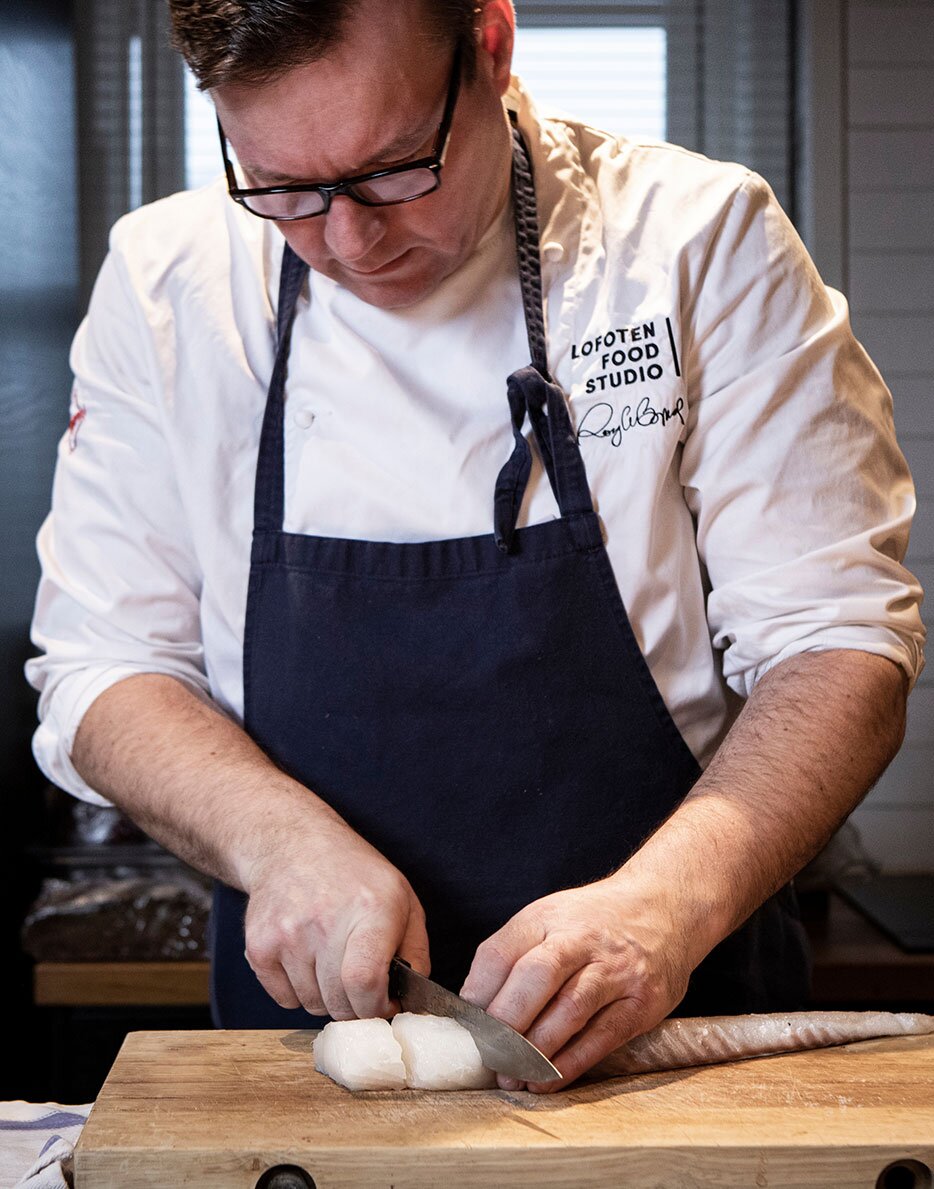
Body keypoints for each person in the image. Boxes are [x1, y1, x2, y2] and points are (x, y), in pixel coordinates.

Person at [27, 0, 924, 1092]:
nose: (348, 239)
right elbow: (103, 666)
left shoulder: (696, 242)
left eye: (394, 167)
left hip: (677, 1031)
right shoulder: (170, 283)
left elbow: (835, 648)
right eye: (283, 187)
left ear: (490, 45)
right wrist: (276, 842)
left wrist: (664, 907)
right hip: (313, 1059)